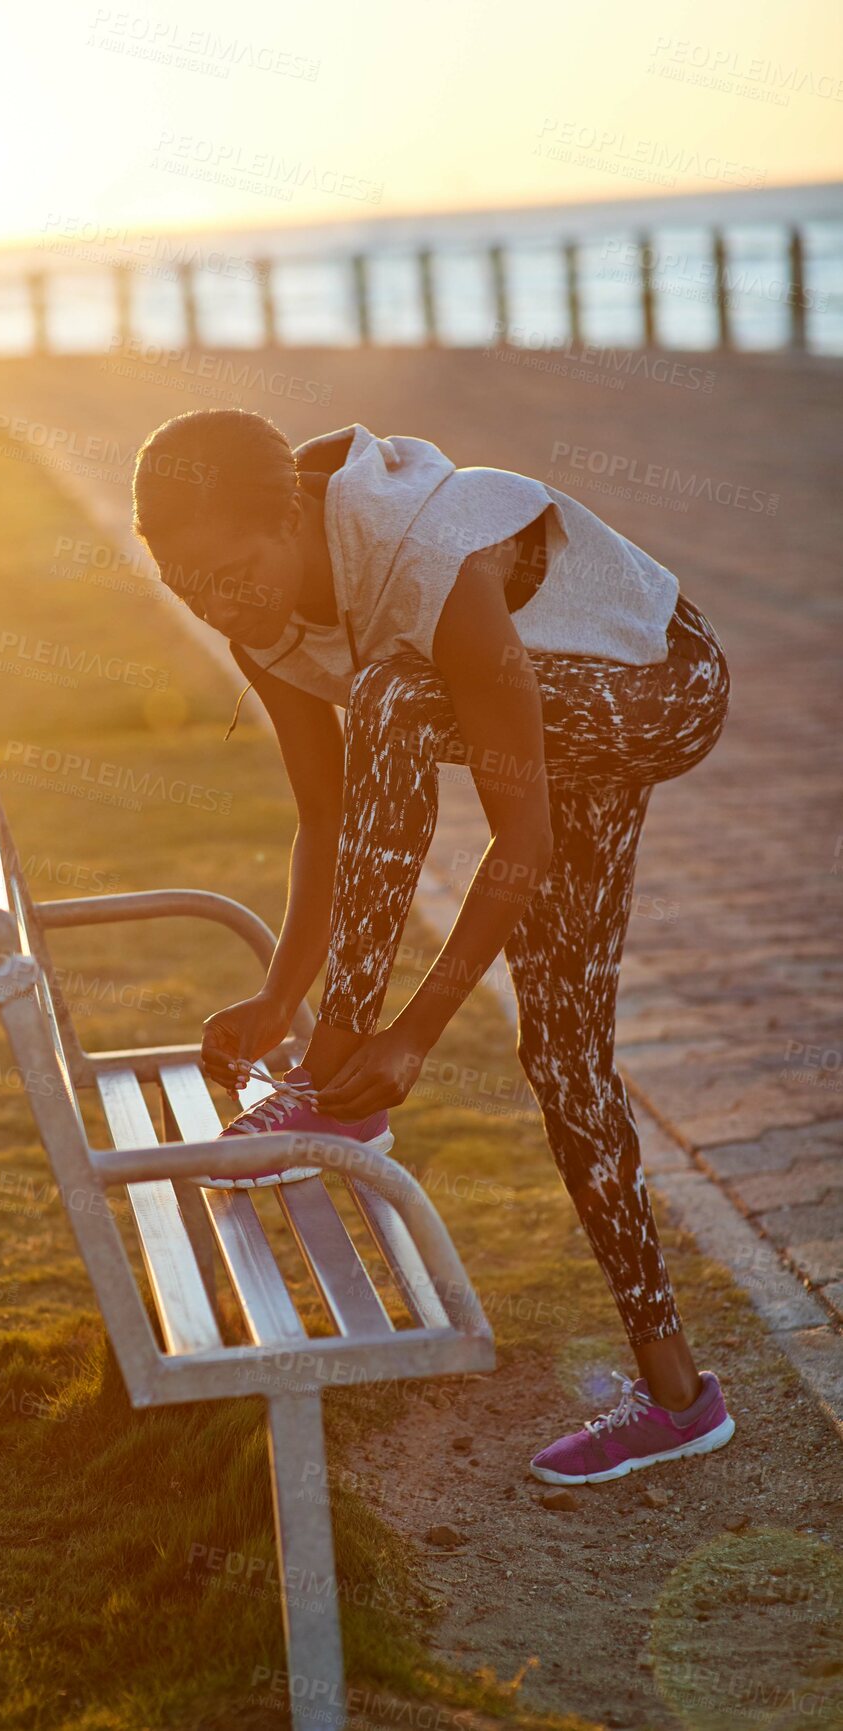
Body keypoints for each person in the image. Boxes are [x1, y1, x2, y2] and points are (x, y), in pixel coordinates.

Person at [130, 407, 736, 1485]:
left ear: (294, 517)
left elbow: (522, 838)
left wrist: (409, 1033)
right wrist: (280, 997)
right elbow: (326, 816)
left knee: (395, 694)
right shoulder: (252, 619)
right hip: (545, 715)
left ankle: (341, 1079)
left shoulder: (427, 555)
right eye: (189, 589)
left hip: (661, 685)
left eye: (234, 573)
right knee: (563, 1060)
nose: (222, 606)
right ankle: (678, 1395)